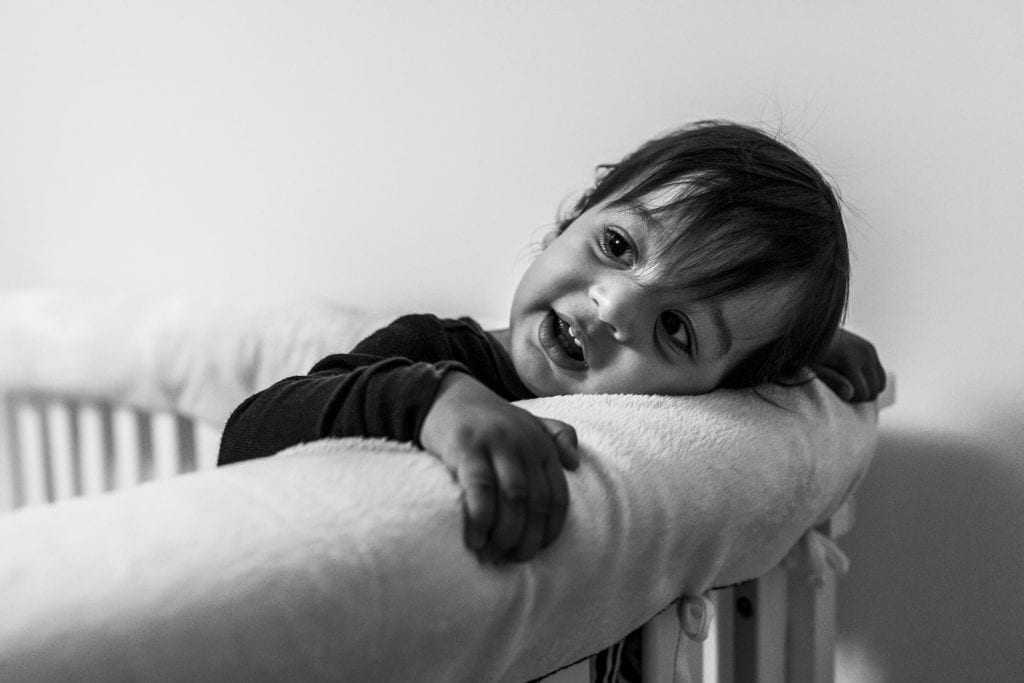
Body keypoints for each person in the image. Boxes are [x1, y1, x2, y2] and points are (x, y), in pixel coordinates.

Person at [218, 120, 885, 564]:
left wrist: (794, 353)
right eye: (618, 245)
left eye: (676, 328)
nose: (615, 305)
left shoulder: (664, 444)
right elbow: (247, 437)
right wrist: (434, 403)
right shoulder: (431, 353)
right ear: (571, 219)